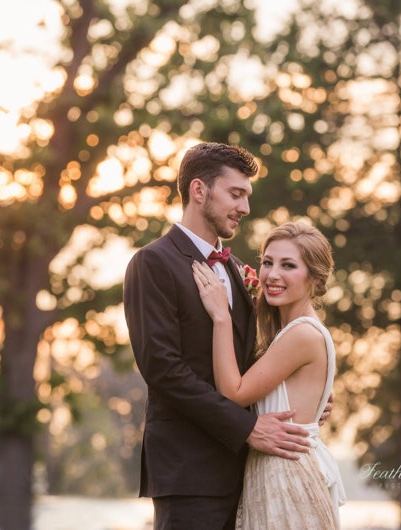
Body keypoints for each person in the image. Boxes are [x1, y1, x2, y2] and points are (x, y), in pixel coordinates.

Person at [123, 142, 320, 530]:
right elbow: (163, 370)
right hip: (189, 474)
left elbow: (250, 364)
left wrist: (299, 392)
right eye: (236, 194)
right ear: (199, 191)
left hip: (249, 473)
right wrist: (246, 428)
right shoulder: (153, 263)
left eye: (246, 196)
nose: (245, 208)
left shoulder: (238, 271)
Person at [192, 221, 346, 528]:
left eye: (288, 265)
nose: (272, 274)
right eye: (267, 262)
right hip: (275, 470)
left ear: (314, 278)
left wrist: (221, 316)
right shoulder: (289, 331)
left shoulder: (301, 334)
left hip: (287, 476)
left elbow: (233, 392)